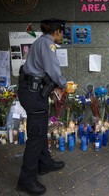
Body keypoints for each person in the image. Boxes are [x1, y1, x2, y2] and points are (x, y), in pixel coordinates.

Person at [17, 18, 67, 195]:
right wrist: (65, 84)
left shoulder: (40, 41)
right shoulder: (48, 45)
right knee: (36, 136)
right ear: (57, 31)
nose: (63, 36)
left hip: (32, 92)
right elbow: (54, 70)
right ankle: (26, 180)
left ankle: (44, 163)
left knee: (39, 131)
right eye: (63, 32)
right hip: (34, 95)